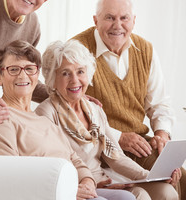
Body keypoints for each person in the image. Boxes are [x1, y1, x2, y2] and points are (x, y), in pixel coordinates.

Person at [0, 40, 137, 200]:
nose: (23, 75)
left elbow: (74, 159)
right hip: (48, 192)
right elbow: (10, 175)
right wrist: (65, 190)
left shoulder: (42, 120)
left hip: (69, 187)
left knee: (126, 197)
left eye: (30, 69)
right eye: (14, 69)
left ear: (37, 75)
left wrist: (87, 181)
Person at [35, 40, 180, 200]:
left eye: (80, 71)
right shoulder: (46, 113)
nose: (74, 80)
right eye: (65, 73)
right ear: (52, 79)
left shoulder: (94, 110)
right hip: (79, 186)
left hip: (106, 181)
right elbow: (54, 165)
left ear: (88, 74)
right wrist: (91, 184)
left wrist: (151, 176)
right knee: (140, 196)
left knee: (166, 191)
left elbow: (116, 157)